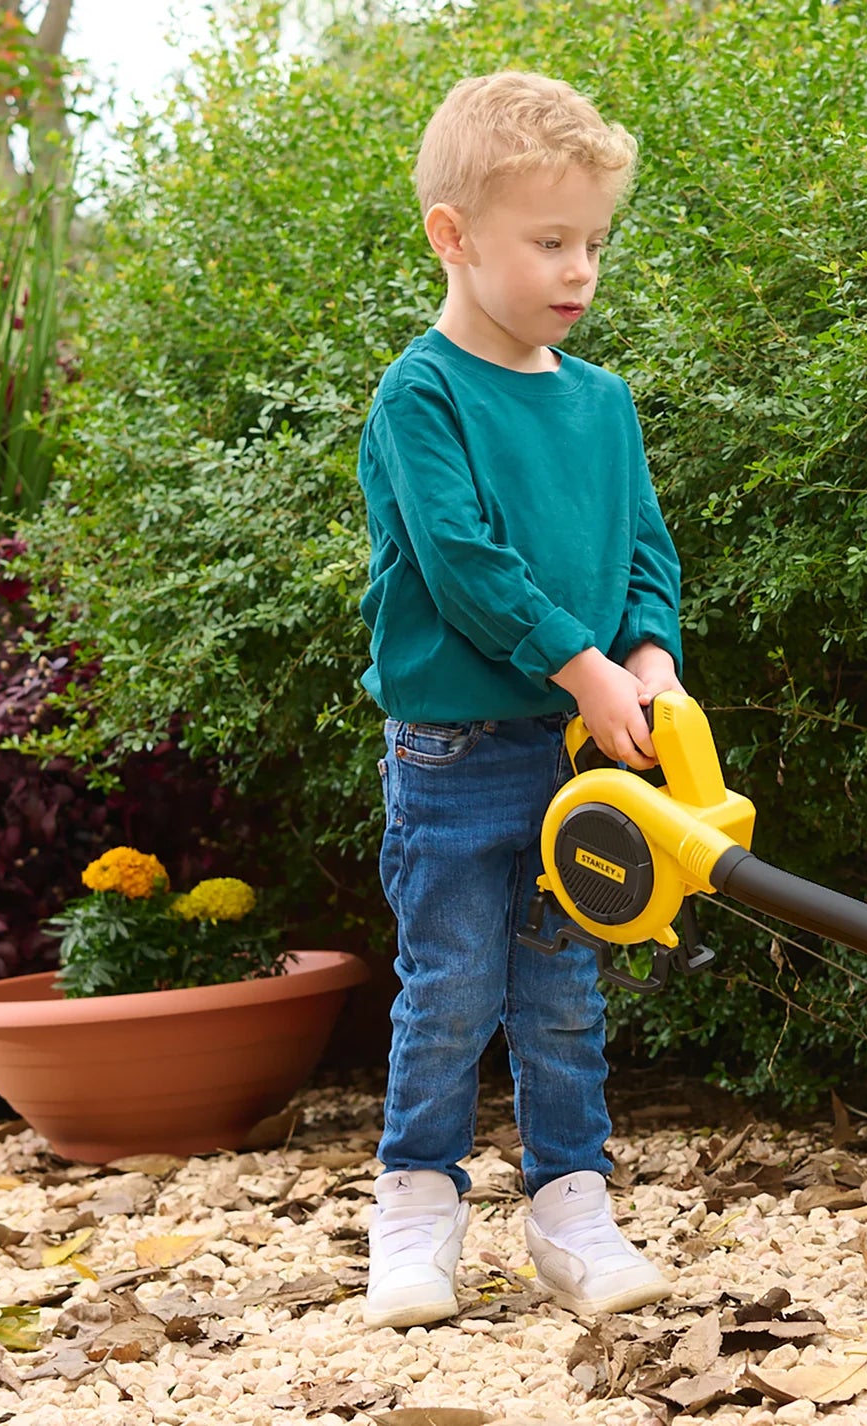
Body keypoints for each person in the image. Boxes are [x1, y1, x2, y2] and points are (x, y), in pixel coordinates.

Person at [354, 70, 685, 1329]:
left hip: (577, 747)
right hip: (453, 752)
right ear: (453, 235)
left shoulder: (600, 403)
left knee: (561, 988)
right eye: (550, 241)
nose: (579, 269)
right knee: (449, 984)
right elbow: (464, 562)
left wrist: (646, 653)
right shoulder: (422, 395)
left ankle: (572, 1210)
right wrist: (584, 663)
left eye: (593, 241)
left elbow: (645, 545)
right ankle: (417, 1208)